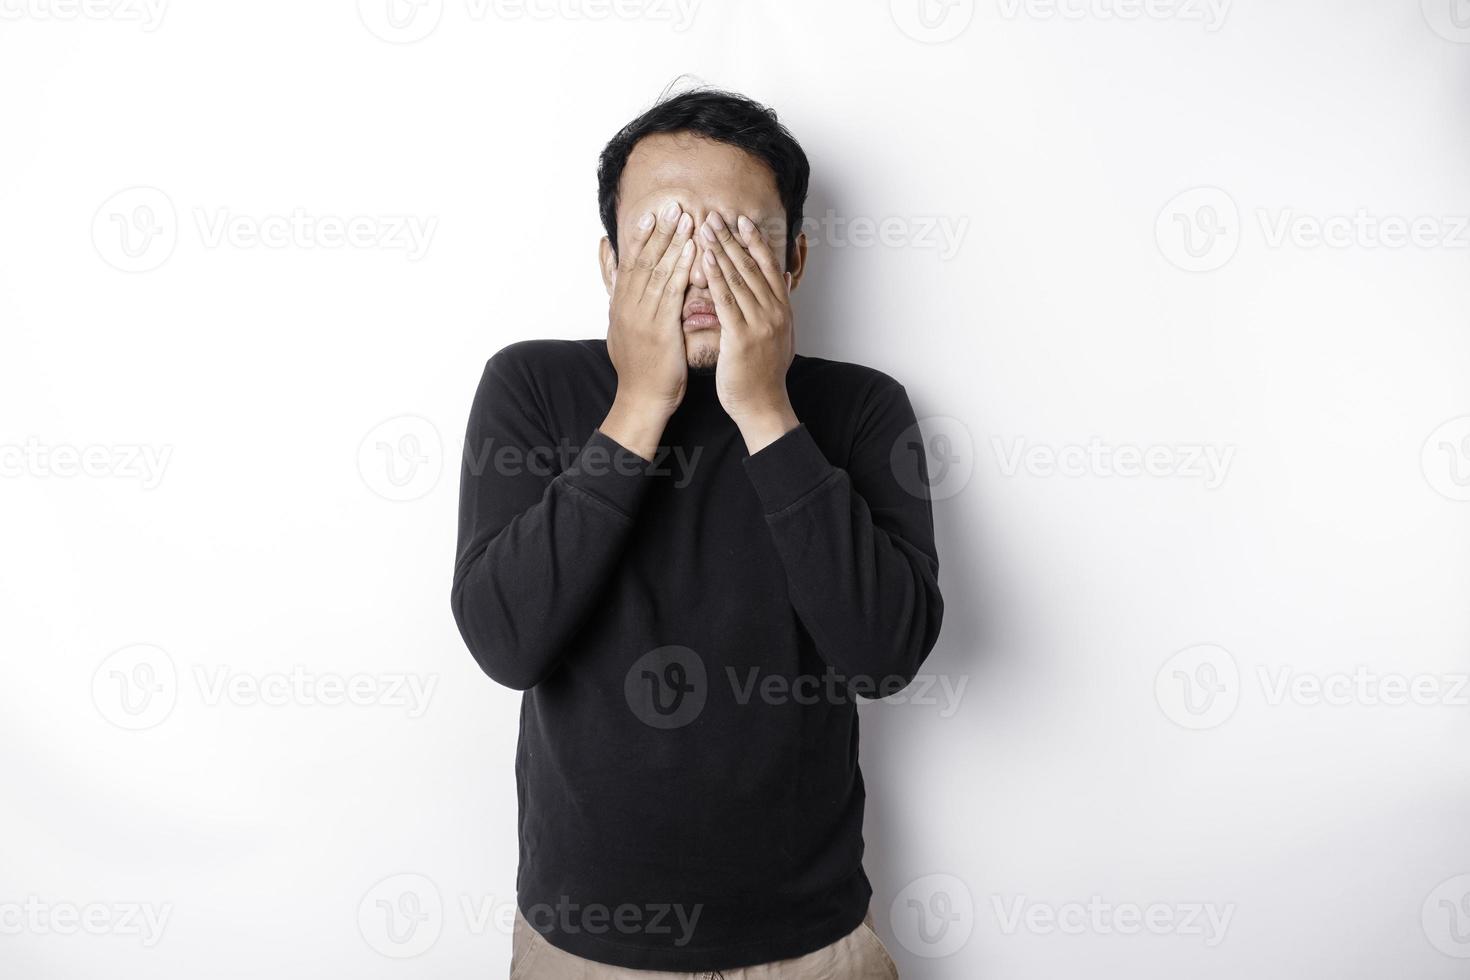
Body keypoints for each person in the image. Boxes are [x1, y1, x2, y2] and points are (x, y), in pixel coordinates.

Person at [451, 85, 944, 978]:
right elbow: (505, 642)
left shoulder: (861, 408)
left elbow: (886, 656)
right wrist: (641, 402)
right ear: (610, 263)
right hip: (584, 945)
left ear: (794, 261)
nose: (700, 268)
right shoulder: (530, 388)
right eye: (662, 237)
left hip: (813, 940)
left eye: (738, 236)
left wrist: (764, 409)